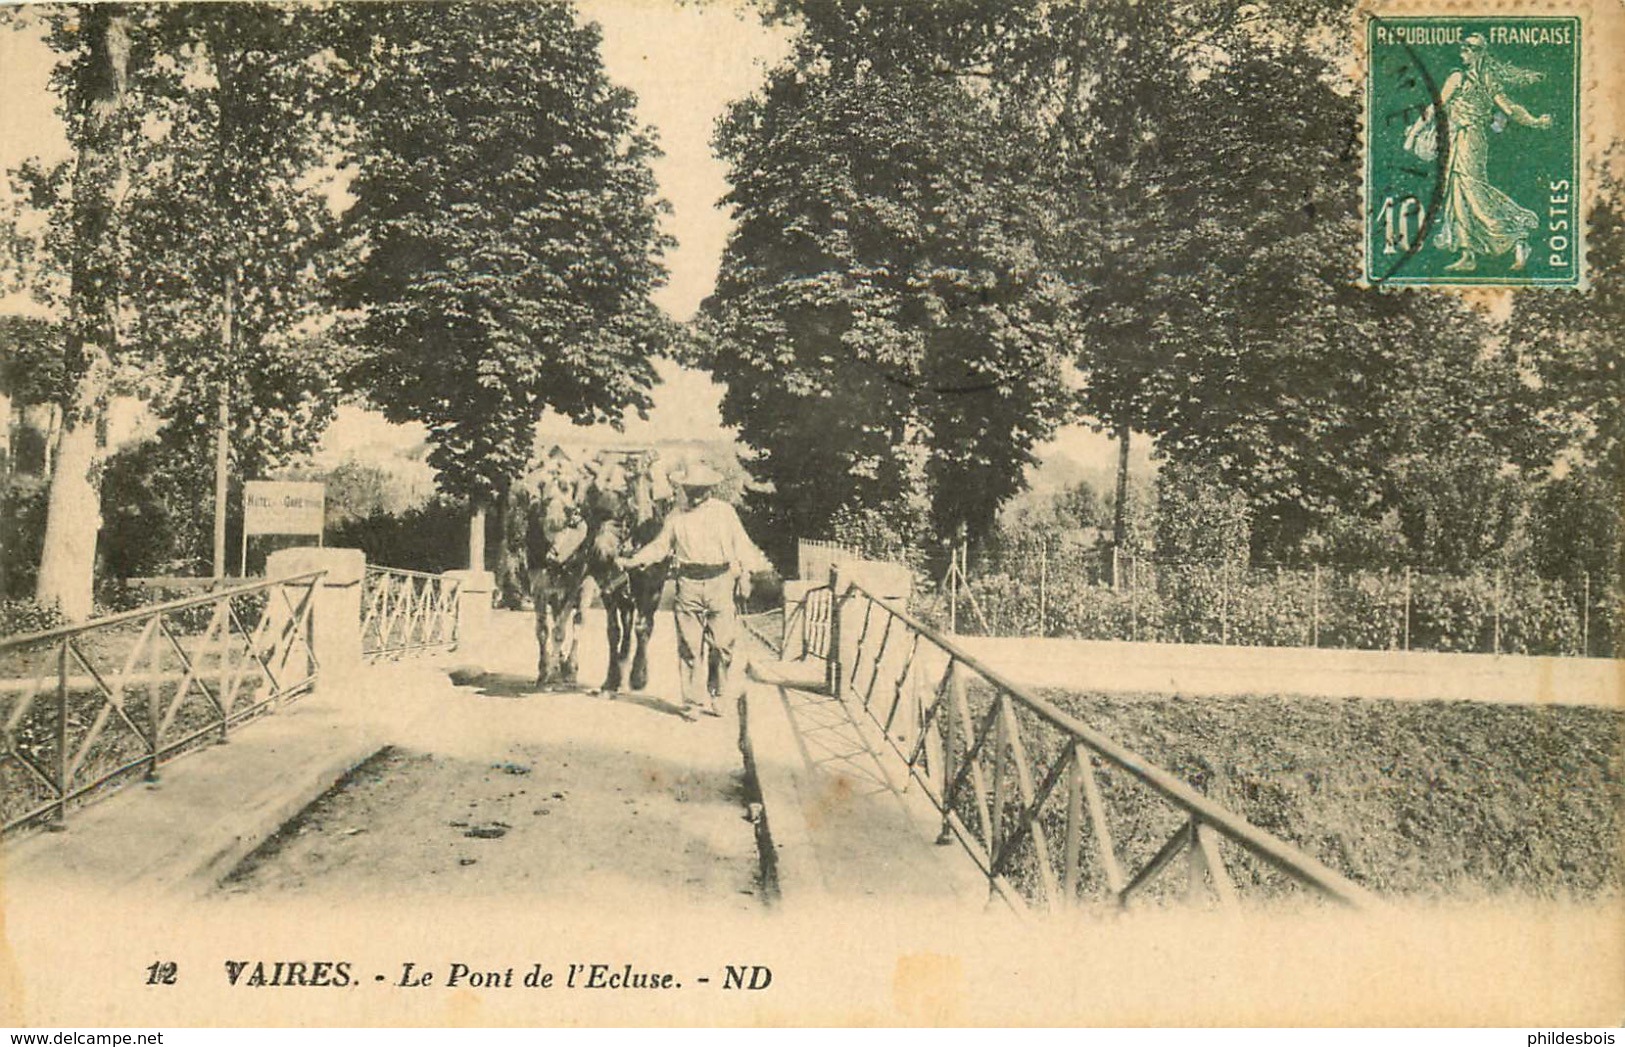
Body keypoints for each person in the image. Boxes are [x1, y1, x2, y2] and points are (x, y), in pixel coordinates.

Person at [617, 462, 766, 717]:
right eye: (689, 488)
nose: (694, 493)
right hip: (688, 584)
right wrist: (633, 560)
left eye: (699, 489)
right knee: (688, 645)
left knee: (721, 644)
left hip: (720, 581)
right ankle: (693, 701)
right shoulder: (677, 515)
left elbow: (742, 544)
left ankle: (717, 692)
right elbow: (660, 546)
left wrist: (746, 575)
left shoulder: (725, 512)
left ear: (710, 489)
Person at [1407, 33, 1553, 273]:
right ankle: (1468, 254)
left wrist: (1534, 121)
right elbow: (1438, 107)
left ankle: (1517, 237)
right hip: (1457, 138)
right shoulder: (1462, 77)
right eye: (1463, 48)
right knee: (1458, 192)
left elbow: (1510, 109)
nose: (1463, 52)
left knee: (1472, 191)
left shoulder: (1483, 80)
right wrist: (1415, 132)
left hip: (1471, 139)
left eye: (1468, 49)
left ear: (1478, 53)